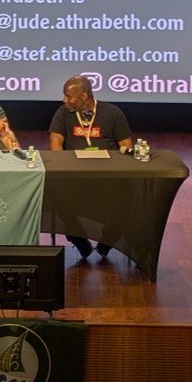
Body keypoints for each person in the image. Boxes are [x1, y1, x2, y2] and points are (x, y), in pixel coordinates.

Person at [49, 74, 133, 259]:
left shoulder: (112, 113)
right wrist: (63, 165)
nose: (65, 100)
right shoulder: (63, 113)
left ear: (84, 96)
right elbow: (55, 141)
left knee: (127, 202)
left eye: (69, 96)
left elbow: (126, 145)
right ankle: (79, 241)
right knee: (58, 199)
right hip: (74, 175)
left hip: (108, 175)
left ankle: (106, 243)